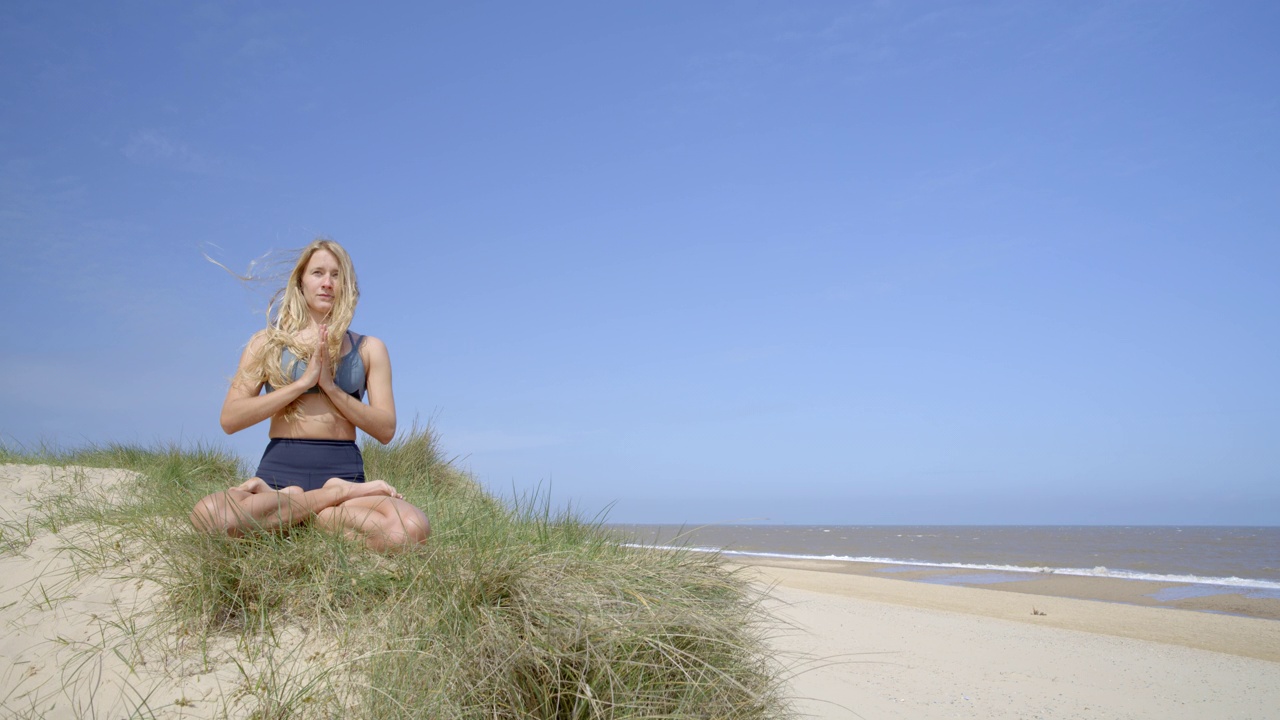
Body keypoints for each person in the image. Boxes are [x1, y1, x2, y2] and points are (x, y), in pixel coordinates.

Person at [190, 239, 430, 551]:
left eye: (336, 275)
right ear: (301, 281)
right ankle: (324, 501)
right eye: (318, 273)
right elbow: (230, 419)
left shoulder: (370, 349)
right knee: (208, 518)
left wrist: (330, 387)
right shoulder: (266, 343)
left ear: (347, 285)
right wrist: (301, 384)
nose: (327, 283)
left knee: (410, 530)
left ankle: (303, 516)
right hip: (278, 476)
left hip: (343, 473)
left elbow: (385, 429)